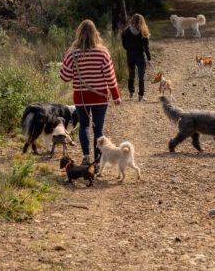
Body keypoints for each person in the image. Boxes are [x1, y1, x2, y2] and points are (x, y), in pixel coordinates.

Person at [59, 20, 121, 164]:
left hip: (81, 98)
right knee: (98, 129)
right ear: (95, 34)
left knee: (84, 125)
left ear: (79, 33)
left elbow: (65, 77)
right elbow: (110, 77)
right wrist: (116, 96)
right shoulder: (103, 52)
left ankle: (86, 157)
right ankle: (98, 161)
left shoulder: (72, 53)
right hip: (100, 97)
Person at [121, 13, 152, 101]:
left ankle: (131, 92)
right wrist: (149, 58)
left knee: (131, 75)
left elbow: (124, 44)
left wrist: (129, 49)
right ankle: (140, 96)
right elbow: (146, 47)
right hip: (140, 56)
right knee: (141, 77)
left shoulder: (126, 31)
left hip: (130, 55)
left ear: (132, 20)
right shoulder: (143, 32)